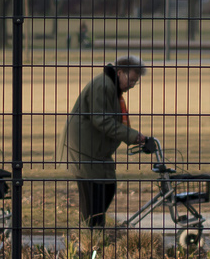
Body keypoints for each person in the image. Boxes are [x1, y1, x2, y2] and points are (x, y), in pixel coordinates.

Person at [61, 55, 156, 230]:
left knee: (108, 187)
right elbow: (101, 120)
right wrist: (133, 136)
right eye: (131, 80)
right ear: (120, 72)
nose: (132, 85)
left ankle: (95, 238)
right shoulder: (103, 85)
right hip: (85, 152)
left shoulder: (111, 87)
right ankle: (90, 245)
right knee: (93, 206)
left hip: (96, 153)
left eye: (136, 82)